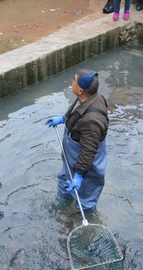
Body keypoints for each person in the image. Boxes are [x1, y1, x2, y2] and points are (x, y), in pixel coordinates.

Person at [46, 70, 109, 213]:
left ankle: (85, 219)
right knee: (65, 183)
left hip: (87, 166)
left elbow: (88, 152)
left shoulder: (92, 120)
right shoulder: (87, 97)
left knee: (85, 199)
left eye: (74, 80)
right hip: (72, 160)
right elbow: (76, 111)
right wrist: (63, 119)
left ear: (80, 90)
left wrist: (79, 175)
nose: (72, 82)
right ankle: (63, 206)